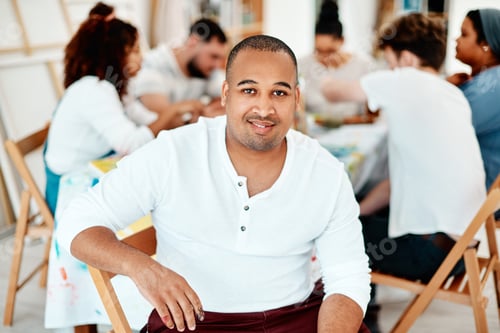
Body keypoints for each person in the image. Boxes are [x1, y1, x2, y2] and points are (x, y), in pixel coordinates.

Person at [57, 35, 371, 332]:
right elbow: (76, 221)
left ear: (296, 98)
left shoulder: (326, 172)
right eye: (249, 90)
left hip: (295, 315)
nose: (264, 108)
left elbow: (348, 277)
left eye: (279, 92)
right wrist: (142, 268)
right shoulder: (173, 152)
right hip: (191, 321)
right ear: (225, 94)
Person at [321, 12, 486, 332]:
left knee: (329, 236)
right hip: (459, 251)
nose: (388, 69)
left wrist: (331, 61)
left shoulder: (406, 80)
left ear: (407, 58)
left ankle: (351, 322)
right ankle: (367, 317)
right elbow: (394, 185)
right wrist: (354, 210)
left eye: (389, 61)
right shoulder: (451, 94)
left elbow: (332, 91)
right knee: (349, 212)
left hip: (430, 255)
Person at [44, 15, 177, 214]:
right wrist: (174, 111)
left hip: (93, 168)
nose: (141, 58)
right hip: (70, 188)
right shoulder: (93, 90)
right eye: (134, 51)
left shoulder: (114, 87)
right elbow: (131, 143)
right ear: (113, 54)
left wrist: (181, 120)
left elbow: (144, 119)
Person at [131, 18, 228, 128]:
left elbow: (232, 95)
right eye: (213, 56)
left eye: (220, 58)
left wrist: (208, 110)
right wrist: (204, 115)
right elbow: (165, 122)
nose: (217, 65)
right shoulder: (152, 66)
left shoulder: (206, 70)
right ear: (193, 42)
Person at [447, 8, 500, 190]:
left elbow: (446, 128)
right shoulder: (483, 80)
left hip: (482, 195)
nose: (456, 39)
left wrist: (442, 89)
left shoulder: (493, 84)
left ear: (486, 44)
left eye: (464, 34)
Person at [298, 0, 374, 122]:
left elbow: (372, 114)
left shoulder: (363, 65)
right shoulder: (303, 64)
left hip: (354, 131)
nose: (325, 58)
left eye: (330, 51)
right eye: (319, 51)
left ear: (342, 40)